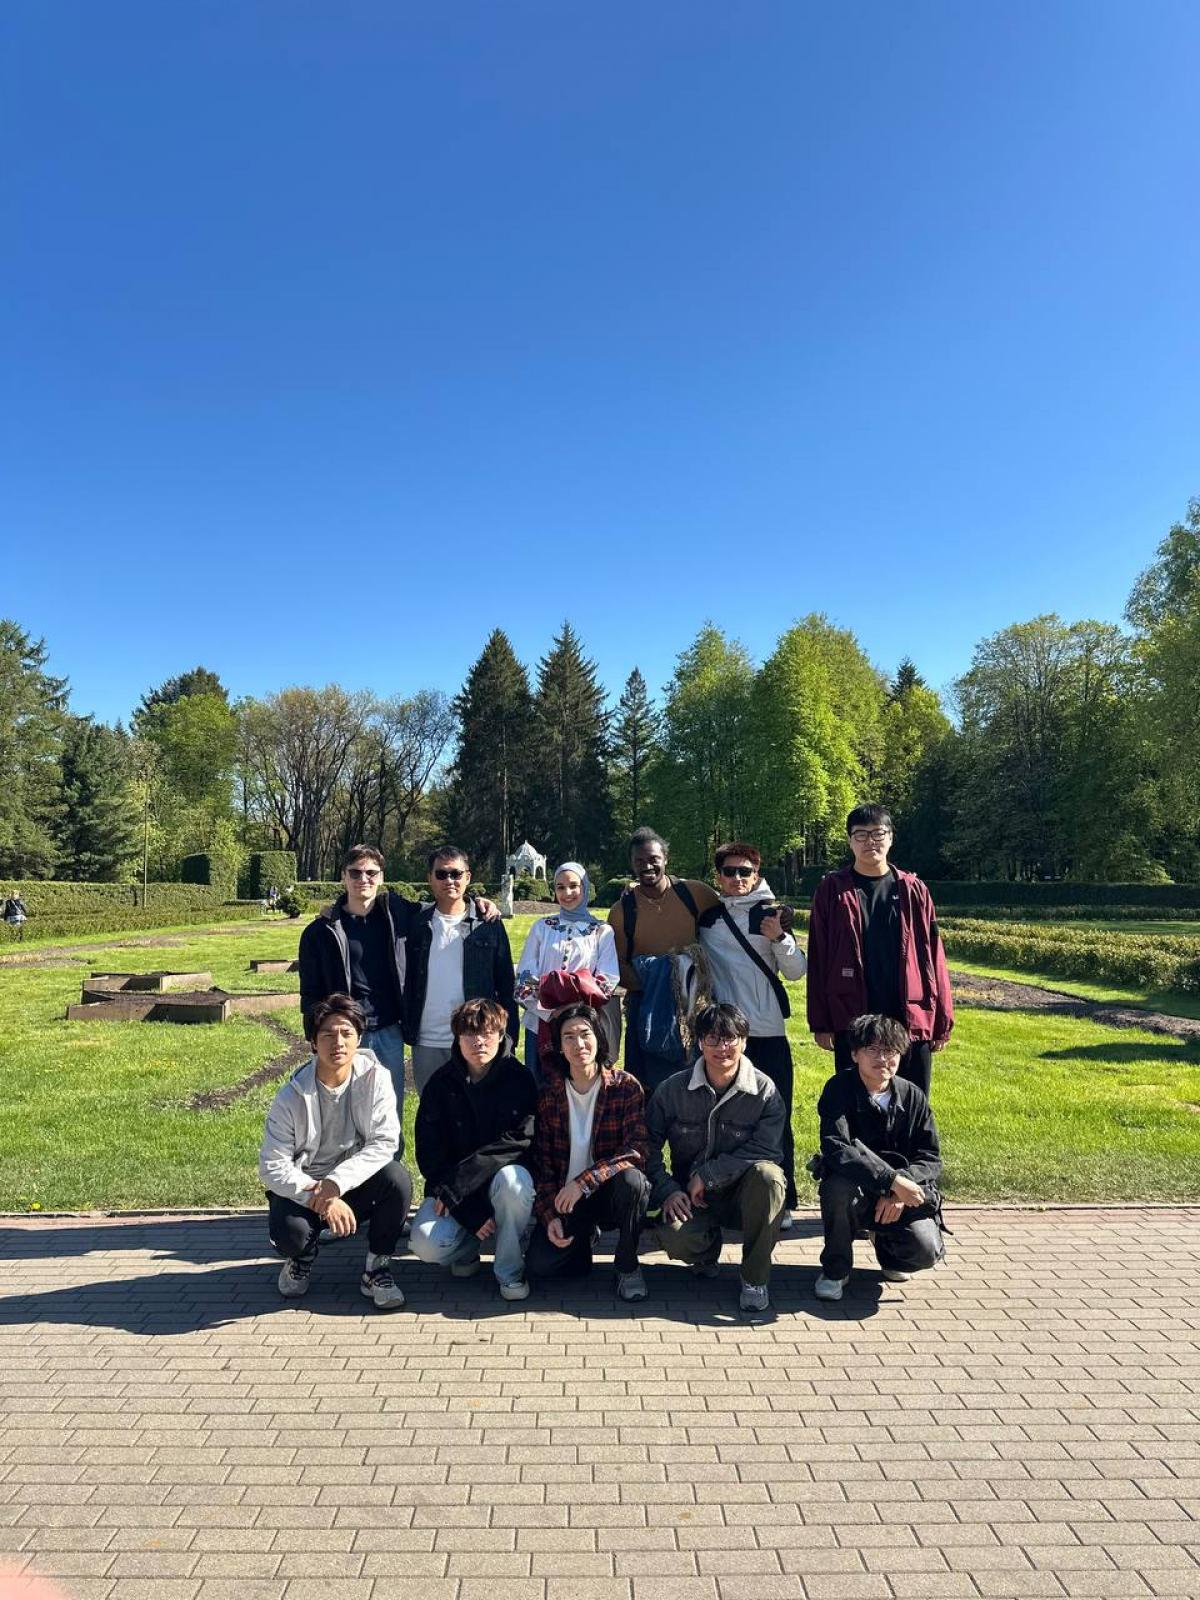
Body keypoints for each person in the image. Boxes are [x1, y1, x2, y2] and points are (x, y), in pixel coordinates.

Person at [298, 844, 498, 1133]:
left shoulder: (397, 914)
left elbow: (447, 905)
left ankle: (389, 1164)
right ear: (343, 876)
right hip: (342, 1032)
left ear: (381, 877)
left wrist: (479, 903)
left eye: (371, 873)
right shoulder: (320, 932)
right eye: (355, 872)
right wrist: (317, 1035)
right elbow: (310, 993)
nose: (363, 879)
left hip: (388, 1031)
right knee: (339, 1115)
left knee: (388, 1117)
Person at [259, 993, 413, 1309]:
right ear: (313, 1042)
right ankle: (302, 1258)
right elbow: (271, 1166)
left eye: (346, 1033)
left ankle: (377, 1268)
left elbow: (385, 1142)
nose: (338, 1042)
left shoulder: (376, 1078)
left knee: (397, 1179)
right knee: (290, 1235)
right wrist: (322, 1194)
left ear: (359, 1039)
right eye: (328, 1034)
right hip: (306, 1189)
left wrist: (337, 1183)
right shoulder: (291, 1096)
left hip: (354, 1183)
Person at [646, 1002, 787, 1313]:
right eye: (712, 1039)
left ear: (744, 1042)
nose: (722, 1048)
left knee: (770, 1177)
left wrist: (708, 1175)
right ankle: (706, 1252)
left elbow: (768, 1149)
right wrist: (668, 1191)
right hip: (692, 1198)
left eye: (730, 1038)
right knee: (676, 1237)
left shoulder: (764, 1090)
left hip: (744, 1196)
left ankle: (754, 1278)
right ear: (700, 1043)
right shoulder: (672, 1090)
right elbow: (646, 1148)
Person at [806, 804, 953, 1096]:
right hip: (852, 1011)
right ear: (850, 841)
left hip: (908, 1012)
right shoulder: (833, 891)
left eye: (877, 834)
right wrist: (821, 1022)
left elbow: (933, 956)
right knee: (855, 1100)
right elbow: (819, 956)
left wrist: (941, 1021)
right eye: (860, 835)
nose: (870, 842)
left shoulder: (913, 889)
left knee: (913, 1098)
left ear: (891, 837)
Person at [697, 841, 806, 1229]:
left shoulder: (771, 914)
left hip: (767, 1031)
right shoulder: (708, 919)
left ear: (757, 875)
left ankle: (783, 1198)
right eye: (730, 872)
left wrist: (780, 937)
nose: (737, 878)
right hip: (726, 1035)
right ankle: (728, 1197)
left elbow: (796, 971)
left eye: (745, 872)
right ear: (719, 877)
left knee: (777, 1112)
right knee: (725, 1118)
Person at [409, 997, 537, 1301]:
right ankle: (467, 1249)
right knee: (426, 1243)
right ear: (457, 1038)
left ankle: (509, 1270)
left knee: (514, 1184)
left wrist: (461, 1182)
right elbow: (429, 1152)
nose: (478, 1041)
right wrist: (464, 1209)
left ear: (502, 1034)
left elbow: (521, 1140)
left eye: (487, 1033)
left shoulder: (520, 1079)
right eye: (469, 1033)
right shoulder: (440, 1084)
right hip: (454, 1190)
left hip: (498, 1183)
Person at [813, 1012, 945, 1302]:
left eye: (890, 1050)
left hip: (900, 1190)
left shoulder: (913, 1095)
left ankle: (890, 1254)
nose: (882, 1058)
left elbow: (930, 1156)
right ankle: (836, 1270)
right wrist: (891, 1181)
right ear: (855, 1054)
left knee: (926, 1250)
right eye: (872, 1049)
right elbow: (837, 1147)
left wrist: (900, 1189)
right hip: (857, 1186)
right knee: (836, 1189)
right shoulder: (838, 1089)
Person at [525, 1002, 651, 1301]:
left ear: (599, 1037)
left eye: (585, 1034)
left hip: (609, 1193)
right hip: (567, 1200)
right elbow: (542, 1164)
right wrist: (548, 1216)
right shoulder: (549, 1095)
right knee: (540, 1266)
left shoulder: (625, 1087)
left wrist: (583, 1182)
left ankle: (628, 1266)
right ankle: (582, 1243)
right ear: (559, 1046)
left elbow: (635, 1151)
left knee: (634, 1182)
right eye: (568, 1037)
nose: (579, 1044)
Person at [607, 827, 718, 1096]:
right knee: (646, 1089)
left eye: (653, 859)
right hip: (645, 1006)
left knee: (694, 1084)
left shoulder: (695, 893)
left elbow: (734, 911)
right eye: (639, 861)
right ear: (632, 864)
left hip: (692, 1004)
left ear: (666, 859)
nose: (647, 866)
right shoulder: (622, 910)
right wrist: (658, 984)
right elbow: (617, 963)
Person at [404, 846, 517, 1093]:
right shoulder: (416, 923)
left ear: (468, 877)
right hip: (428, 1039)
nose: (449, 880)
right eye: (441, 874)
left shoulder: (488, 924)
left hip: (477, 1036)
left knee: (480, 1108)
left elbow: (506, 984)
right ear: (430, 878)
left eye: (456, 874)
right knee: (434, 1109)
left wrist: (509, 1038)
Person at [515, 861, 619, 1083]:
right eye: (560, 887)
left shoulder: (601, 931)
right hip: (541, 1022)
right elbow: (524, 978)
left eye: (573, 886)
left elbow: (607, 980)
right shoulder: (542, 927)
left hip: (584, 1025)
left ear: (585, 887)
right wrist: (550, 1011)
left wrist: (575, 1010)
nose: (567, 893)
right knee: (542, 1086)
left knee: (581, 1083)